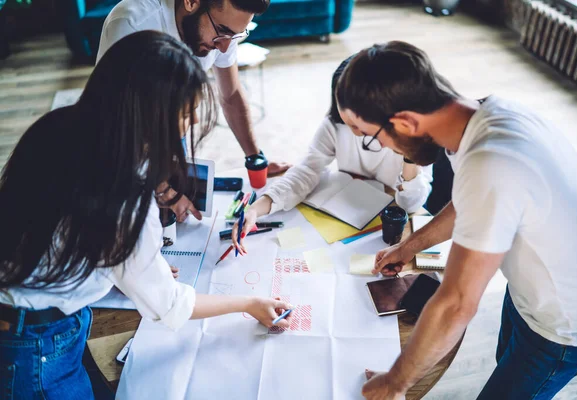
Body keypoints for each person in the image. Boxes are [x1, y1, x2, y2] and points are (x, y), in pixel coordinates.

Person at [0, 31, 291, 400]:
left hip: (26, 317)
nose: (190, 124)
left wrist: (127, 265)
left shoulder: (59, 126)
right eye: (187, 114)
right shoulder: (123, 197)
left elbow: (56, 228)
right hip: (37, 345)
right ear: (154, 116)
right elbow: (168, 305)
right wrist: (249, 303)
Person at [335, 41, 577, 399]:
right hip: (532, 291)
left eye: (372, 138)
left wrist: (395, 383)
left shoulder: (491, 162)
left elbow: (457, 302)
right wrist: (409, 246)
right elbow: (468, 203)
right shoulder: (482, 116)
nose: (384, 149)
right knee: (505, 360)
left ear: (406, 122)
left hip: (565, 323)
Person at [97, 0, 292, 223]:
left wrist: (255, 158)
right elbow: (116, 119)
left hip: (172, 127)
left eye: (236, 36)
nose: (225, 47)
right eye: (222, 32)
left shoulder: (222, 33)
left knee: (179, 219)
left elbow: (231, 95)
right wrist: (162, 189)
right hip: (120, 141)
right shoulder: (130, 23)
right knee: (140, 222)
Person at [232, 56, 432, 252]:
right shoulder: (336, 124)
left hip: (385, 227)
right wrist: (255, 210)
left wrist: (409, 156)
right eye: (341, 102)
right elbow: (307, 169)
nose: (348, 115)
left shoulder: (411, 130)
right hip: (343, 217)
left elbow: (411, 205)